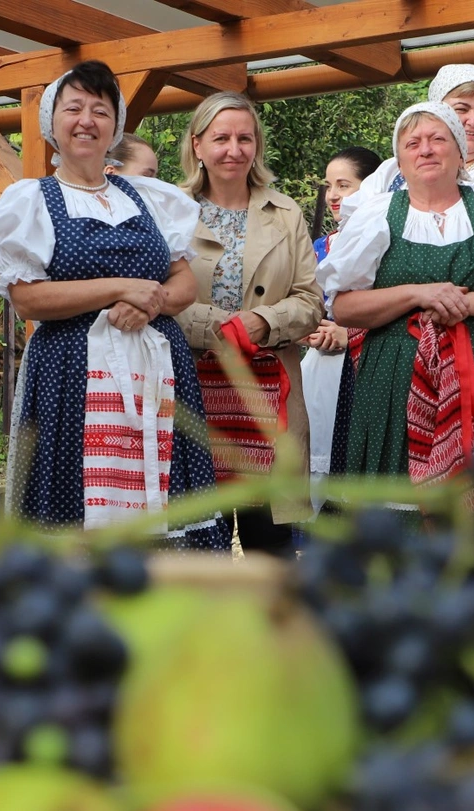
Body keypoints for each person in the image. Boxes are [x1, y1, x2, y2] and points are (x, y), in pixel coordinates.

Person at [0, 61, 229, 549]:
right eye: (73, 108)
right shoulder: (32, 199)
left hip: (157, 370)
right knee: (77, 512)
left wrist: (150, 302)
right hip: (72, 370)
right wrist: (120, 287)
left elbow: (183, 283)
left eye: (100, 110)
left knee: (164, 500)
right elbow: (27, 297)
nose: (86, 120)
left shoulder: (147, 197)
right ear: (51, 122)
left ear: (114, 125)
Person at [318, 103, 474, 505]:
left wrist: (466, 303)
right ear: (400, 160)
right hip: (394, 379)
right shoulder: (376, 215)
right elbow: (343, 307)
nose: (425, 150)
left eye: (437, 140)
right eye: (412, 143)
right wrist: (418, 294)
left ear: (460, 153)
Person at [176, 91, 326, 556]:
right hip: (194, 388)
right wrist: (212, 326)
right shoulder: (170, 211)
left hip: (269, 392)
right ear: (197, 145)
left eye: (245, 138)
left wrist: (262, 322)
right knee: (201, 529)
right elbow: (154, 295)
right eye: (221, 138)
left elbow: (310, 301)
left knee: (272, 537)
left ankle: (280, 628)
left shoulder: (285, 213)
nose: (234, 149)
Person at [301, 146, 381, 513]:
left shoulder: (388, 239)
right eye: (329, 185)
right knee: (318, 444)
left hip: (370, 365)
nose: (333, 195)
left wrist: (349, 334)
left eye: (344, 185)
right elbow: (303, 303)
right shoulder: (320, 246)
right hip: (320, 368)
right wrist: (309, 331)